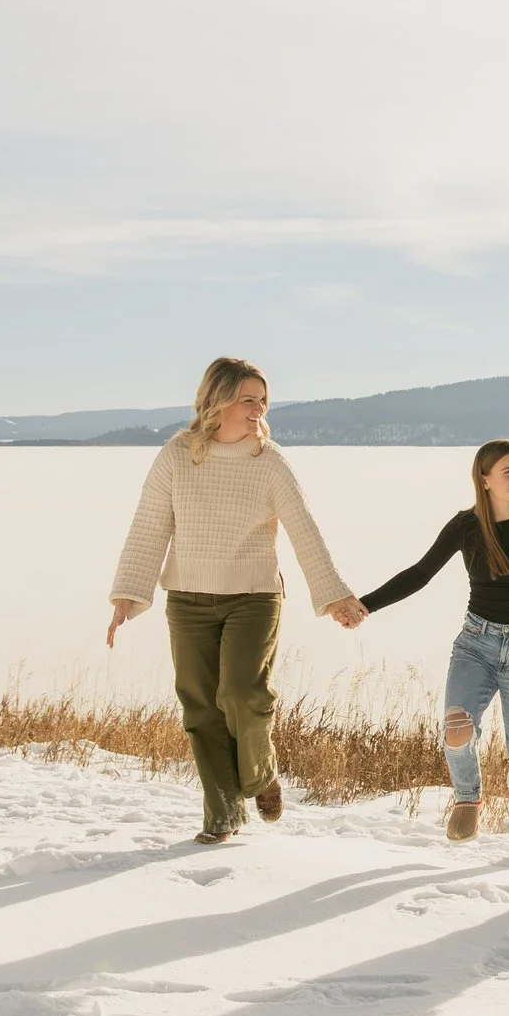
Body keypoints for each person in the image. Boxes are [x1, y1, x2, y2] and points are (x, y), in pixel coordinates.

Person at [106, 357, 366, 845]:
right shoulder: (177, 455)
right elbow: (149, 525)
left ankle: (260, 774)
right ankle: (222, 815)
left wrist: (333, 596)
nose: (259, 407)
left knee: (243, 694)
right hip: (186, 599)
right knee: (201, 707)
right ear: (218, 399)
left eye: (262, 399)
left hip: (254, 598)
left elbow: (303, 529)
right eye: (249, 398)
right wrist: (127, 594)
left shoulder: (268, 460)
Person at [357, 440, 509, 869]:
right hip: (476, 641)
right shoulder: (466, 525)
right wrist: (366, 604)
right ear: (485, 478)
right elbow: (420, 572)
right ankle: (469, 795)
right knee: (457, 729)